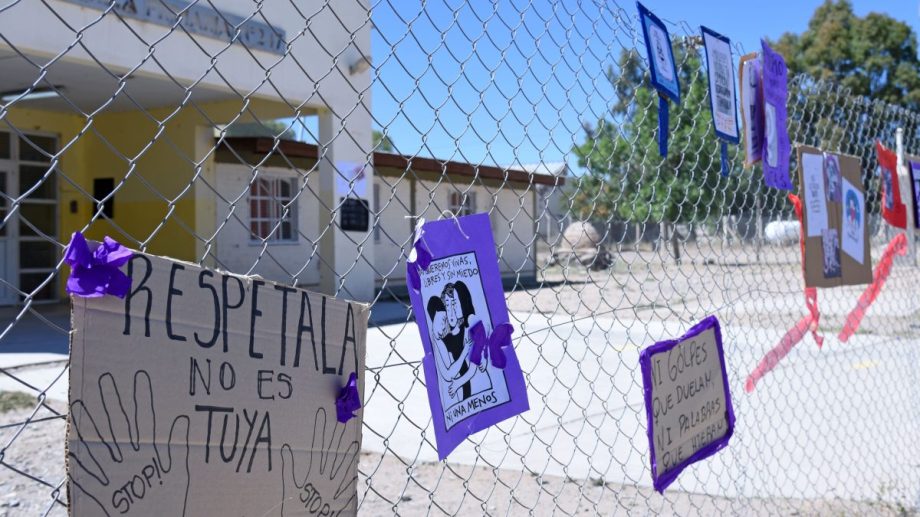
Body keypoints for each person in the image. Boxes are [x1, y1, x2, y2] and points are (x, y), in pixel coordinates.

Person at [427, 296, 471, 406]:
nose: (443, 326)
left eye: (445, 320)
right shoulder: (437, 343)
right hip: (450, 400)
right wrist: (465, 352)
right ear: (433, 317)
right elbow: (448, 374)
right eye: (442, 320)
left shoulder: (439, 340)